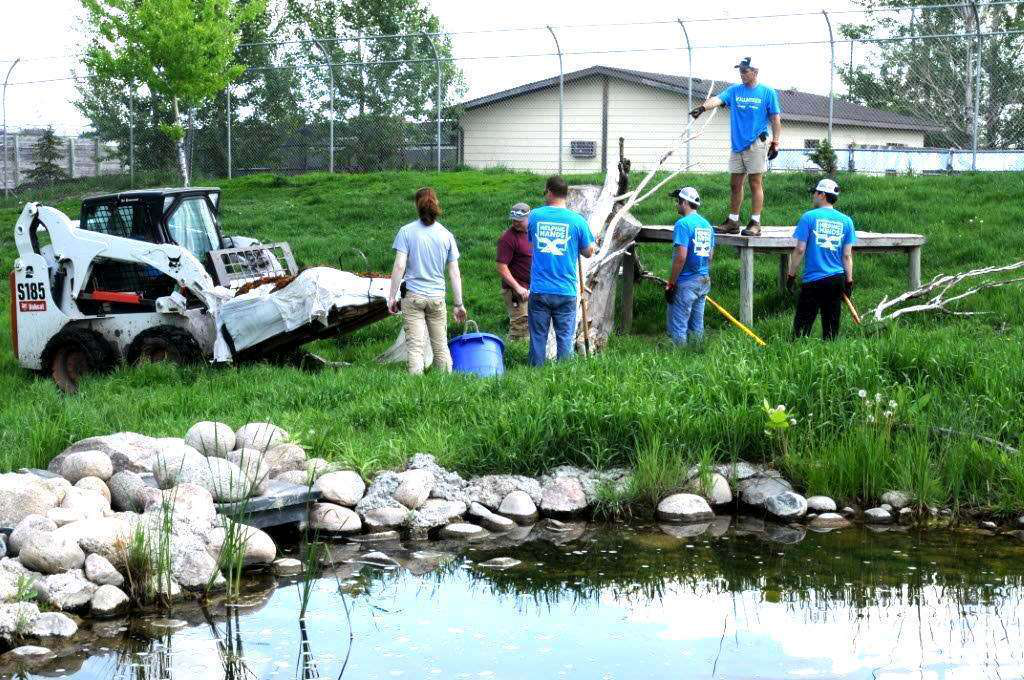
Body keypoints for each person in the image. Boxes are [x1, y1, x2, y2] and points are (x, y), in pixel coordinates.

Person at [691, 56, 782, 237]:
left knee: (755, 182)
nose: (741, 74)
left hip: (756, 142)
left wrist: (776, 142)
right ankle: (733, 221)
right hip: (737, 144)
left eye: (745, 71)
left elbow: (775, 118)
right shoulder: (734, 90)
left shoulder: (767, 92)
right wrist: (702, 108)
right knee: (735, 184)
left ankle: (755, 222)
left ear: (755, 72)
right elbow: (718, 99)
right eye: (740, 71)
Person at [387, 187, 467, 374]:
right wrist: (458, 304)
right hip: (437, 298)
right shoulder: (446, 235)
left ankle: (416, 385)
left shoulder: (406, 232)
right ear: (436, 204)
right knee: (440, 346)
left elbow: (399, 266)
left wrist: (391, 297)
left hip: (413, 297)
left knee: (415, 347)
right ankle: (444, 382)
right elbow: (454, 273)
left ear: (417, 205)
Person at [526, 175, 596, 367]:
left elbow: (532, 240)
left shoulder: (535, 216)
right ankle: (563, 375)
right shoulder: (577, 221)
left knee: (538, 337)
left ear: (549, 192)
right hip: (565, 290)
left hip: (540, 289)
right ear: (566, 194)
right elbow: (588, 252)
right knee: (565, 337)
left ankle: (535, 374)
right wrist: (591, 245)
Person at [786, 178, 856, 340]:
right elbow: (847, 255)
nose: (813, 196)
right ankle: (829, 351)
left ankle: (798, 350)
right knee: (831, 328)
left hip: (813, 280)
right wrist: (849, 282)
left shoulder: (808, 217)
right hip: (836, 279)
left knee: (802, 327)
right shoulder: (847, 221)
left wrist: (791, 275)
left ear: (822, 195)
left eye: (815, 192)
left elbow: (800, 250)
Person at [664, 186, 715, 345]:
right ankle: (697, 352)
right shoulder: (707, 226)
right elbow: (710, 256)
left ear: (685, 202)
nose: (677, 204)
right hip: (703, 279)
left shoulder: (682, 224)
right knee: (696, 326)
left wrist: (671, 284)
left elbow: (681, 257)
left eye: (678, 201)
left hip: (686, 282)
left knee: (678, 326)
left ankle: (679, 356)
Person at [496, 202, 532, 341]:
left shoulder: (533, 233)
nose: (515, 223)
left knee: (532, 325)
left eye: (519, 220)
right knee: (520, 327)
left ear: (529, 218)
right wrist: (518, 288)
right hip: (516, 291)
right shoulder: (507, 238)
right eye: (513, 220)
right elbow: (501, 267)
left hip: (532, 287)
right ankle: (512, 351)